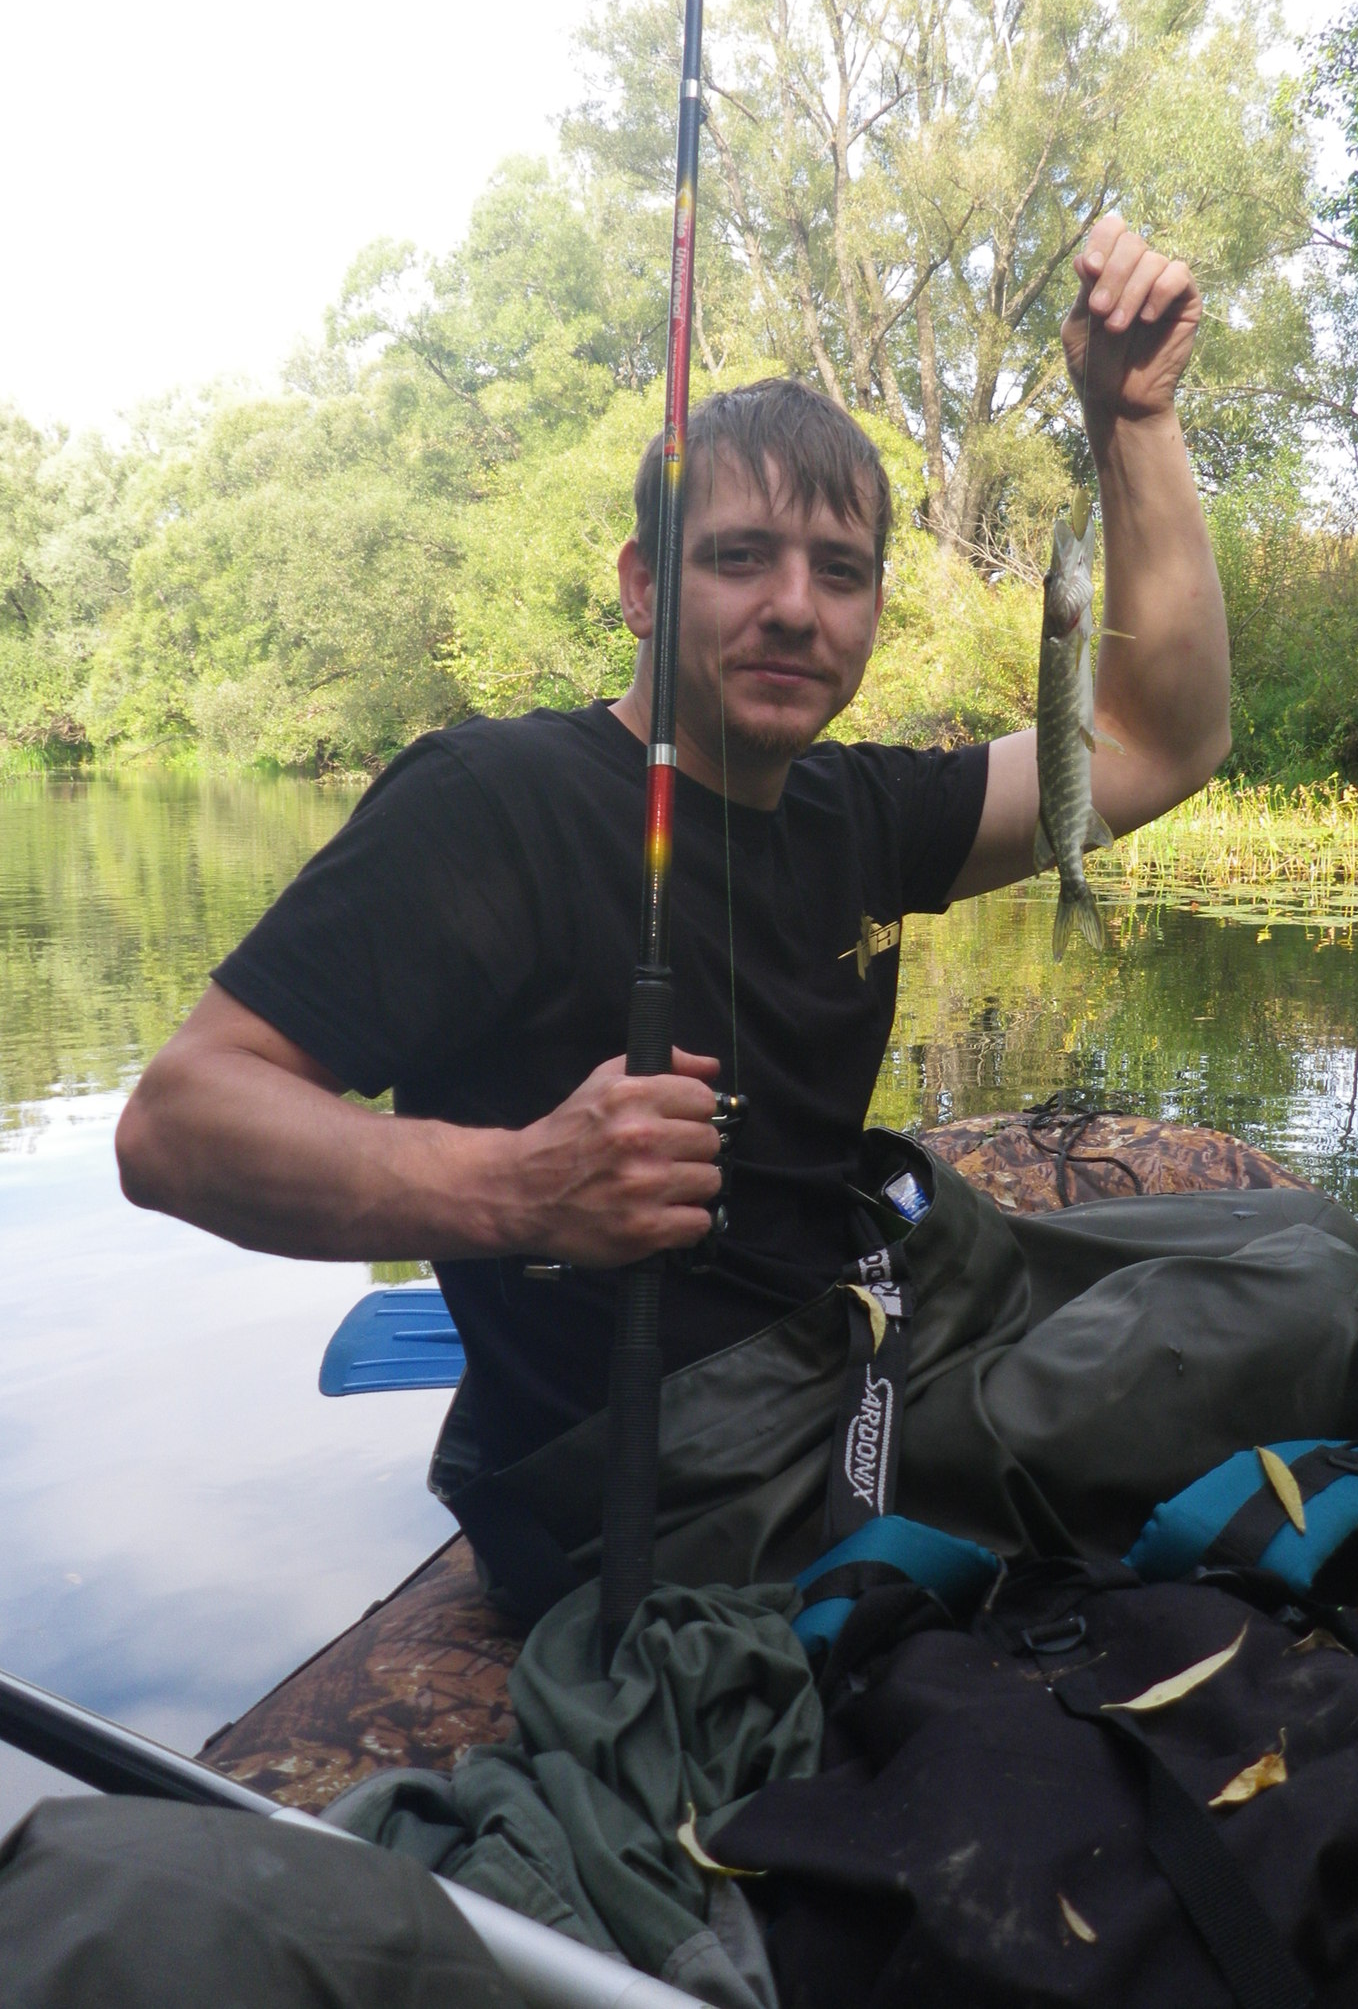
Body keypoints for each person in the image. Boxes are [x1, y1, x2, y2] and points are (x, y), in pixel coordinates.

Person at [114, 215, 1231, 1549]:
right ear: (645, 585)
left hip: (854, 1359)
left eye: (840, 572)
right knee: (1280, 1326)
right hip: (663, 1479)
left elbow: (1160, 742)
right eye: (739, 555)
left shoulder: (861, 808)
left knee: (1276, 1262)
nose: (794, 608)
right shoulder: (493, 803)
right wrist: (521, 1186)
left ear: (875, 611)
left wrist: (1136, 419)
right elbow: (174, 1123)